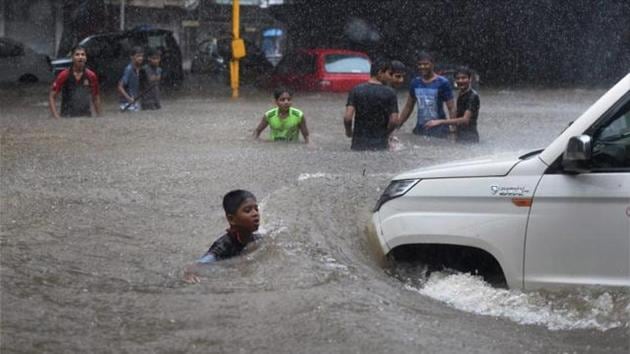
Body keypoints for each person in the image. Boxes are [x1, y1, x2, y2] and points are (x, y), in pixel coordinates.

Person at [183, 190, 261, 284]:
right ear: (231, 219)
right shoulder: (223, 246)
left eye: (256, 209)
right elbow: (198, 264)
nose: (255, 214)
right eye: (248, 210)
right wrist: (190, 272)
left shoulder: (258, 239)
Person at [343, 59, 399, 151]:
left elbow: (347, 118)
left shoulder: (356, 90)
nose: (390, 77)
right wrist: (385, 134)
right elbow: (394, 121)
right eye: (389, 74)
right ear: (380, 73)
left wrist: (348, 132)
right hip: (380, 145)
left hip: (358, 144)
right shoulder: (390, 93)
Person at [398, 51, 455, 139]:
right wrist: (398, 125)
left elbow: (451, 108)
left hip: (439, 129)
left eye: (425, 64)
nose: (422, 67)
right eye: (420, 64)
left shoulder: (443, 83)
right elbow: (408, 107)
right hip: (421, 128)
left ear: (432, 64)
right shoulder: (415, 83)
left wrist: (453, 127)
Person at [424, 67, 480, 143]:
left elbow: (465, 120)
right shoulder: (461, 93)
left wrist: (440, 122)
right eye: (458, 78)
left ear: (470, 79)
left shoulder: (473, 96)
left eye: (464, 78)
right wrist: (453, 131)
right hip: (461, 136)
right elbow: (458, 115)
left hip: (470, 138)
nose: (460, 81)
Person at [48, 46, 101, 118]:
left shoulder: (91, 75)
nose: (80, 57)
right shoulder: (64, 75)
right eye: (77, 54)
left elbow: (96, 97)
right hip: (67, 116)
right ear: (72, 58)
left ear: (86, 58)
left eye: (83, 54)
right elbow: (52, 96)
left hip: (86, 117)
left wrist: (99, 116)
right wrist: (56, 116)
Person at [118, 46, 144, 112]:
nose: (140, 58)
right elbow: (120, 87)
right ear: (132, 57)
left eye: (142, 56)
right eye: (138, 56)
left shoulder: (139, 69)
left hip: (135, 102)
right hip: (127, 103)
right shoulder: (129, 69)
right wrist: (129, 98)